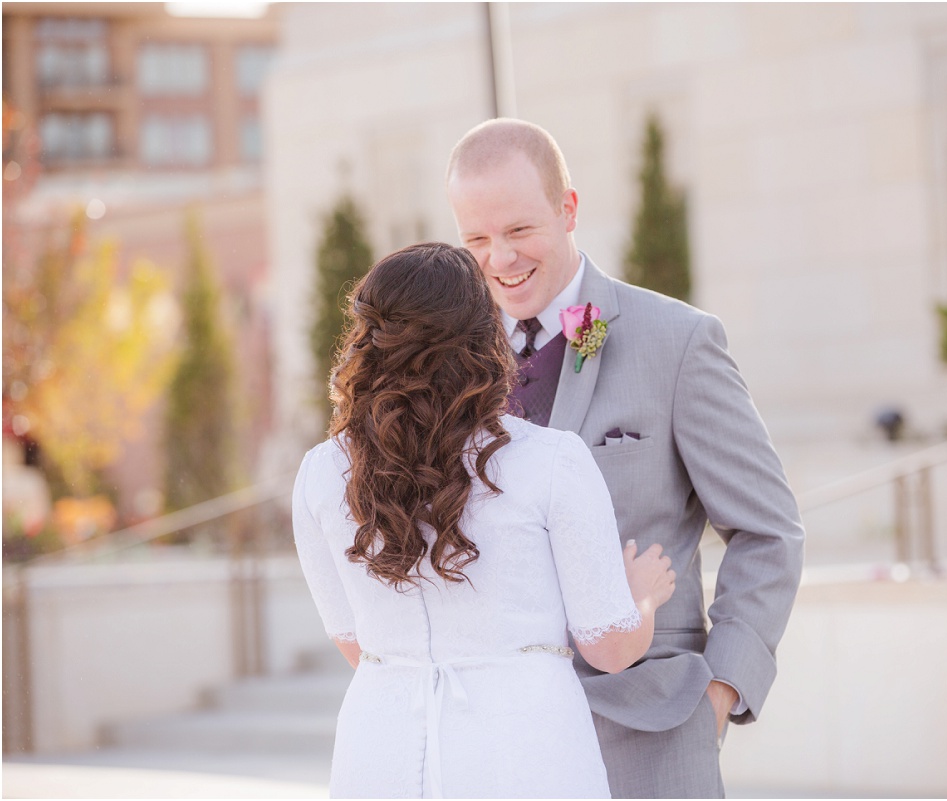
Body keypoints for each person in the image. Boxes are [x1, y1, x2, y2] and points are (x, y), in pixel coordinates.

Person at [446, 118, 806, 798]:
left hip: (649, 743)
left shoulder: (677, 342)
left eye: (520, 231)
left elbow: (769, 530)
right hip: (498, 751)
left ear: (568, 208)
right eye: (476, 239)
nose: (500, 259)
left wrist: (721, 693)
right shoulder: (448, 368)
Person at [291, 242, 677, 798]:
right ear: (482, 335)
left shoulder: (320, 474)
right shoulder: (550, 460)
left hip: (381, 750)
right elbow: (610, 649)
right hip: (522, 751)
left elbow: (355, 645)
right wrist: (642, 595)